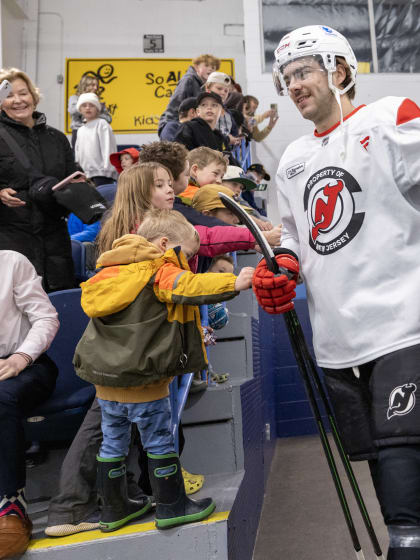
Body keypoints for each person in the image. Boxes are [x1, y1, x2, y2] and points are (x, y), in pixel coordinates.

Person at [252, 24, 420, 560]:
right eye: (286, 77)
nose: (293, 85)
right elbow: (297, 236)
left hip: (404, 323)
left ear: (340, 71)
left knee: (402, 469)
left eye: (303, 72)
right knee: (376, 457)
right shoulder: (294, 159)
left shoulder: (391, 119)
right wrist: (282, 263)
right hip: (337, 341)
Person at [73, 208, 255, 531]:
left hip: (105, 380)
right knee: (157, 439)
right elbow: (189, 286)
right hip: (144, 378)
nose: (185, 262)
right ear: (163, 244)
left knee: (112, 441)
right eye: (185, 254)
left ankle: (114, 510)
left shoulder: (108, 271)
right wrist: (234, 282)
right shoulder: (158, 270)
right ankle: (173, 505)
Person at [0, 250, 59, 558]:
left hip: (27, 364)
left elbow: (46, 317)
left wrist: (21, 357)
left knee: (1, 397)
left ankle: (11, 502)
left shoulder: (11, 262)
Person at [0, 68, 78, 292]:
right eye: (9, 95)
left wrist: (78, 189)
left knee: (58, 300)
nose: (17, 100)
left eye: (23, 93)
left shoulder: (57, 138)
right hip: (12, 237)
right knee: (19, 305)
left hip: (55, 236)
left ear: (33, 96)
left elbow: (69, 177)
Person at [158, 54, 220, 138]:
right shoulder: (188, 80)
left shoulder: (204, 86)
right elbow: (176, 104)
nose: (210, 69)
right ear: (196, 67)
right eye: (206, 65)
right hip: (174, 125)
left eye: (213, 67)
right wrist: (175, 126)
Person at [74, 93, 117, 187]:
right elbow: (78, 151)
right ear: (80, 109)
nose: (88, 108)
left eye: (91, 105)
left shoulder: (102, 124)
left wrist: (107, 170)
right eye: (84, 105)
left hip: (103, 174)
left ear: (97, 109)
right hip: (86, 174)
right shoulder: (81, 130)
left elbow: (108, 147)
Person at [68, 74, 112, 150]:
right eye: (93, 85)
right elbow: (72, 111)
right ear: (85, 85)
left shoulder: (98, 102)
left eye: (97, 85)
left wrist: (95, 113)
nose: (96, 88)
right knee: (79, 158)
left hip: (95, 132)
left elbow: (108, 119)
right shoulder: (74, 98)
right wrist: (88, 103)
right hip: (78, 131)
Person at [204, 72, 241, 146]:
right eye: (219, 88)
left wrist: (237, 139)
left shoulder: (227, 113)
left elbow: (235, 133)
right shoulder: (201, 110)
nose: (223, 93)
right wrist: (227, 138)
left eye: (226, 91)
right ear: (207, 88)